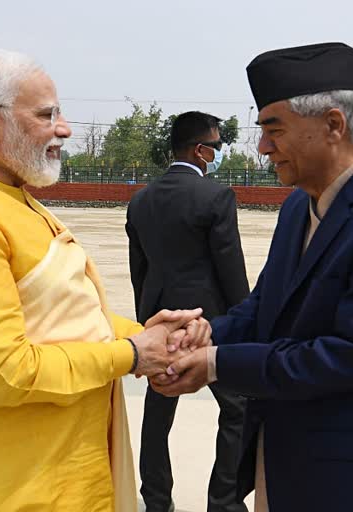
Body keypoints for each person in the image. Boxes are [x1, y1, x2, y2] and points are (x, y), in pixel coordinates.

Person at [0, 49, 209, 512]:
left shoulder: (10, 197)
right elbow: (4, 374)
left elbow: (65, 314)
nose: (64, 128)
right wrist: (134, 354)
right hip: (0, 483)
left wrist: (155, 337)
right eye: (46, 114)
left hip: (64, 470)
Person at [151, 42, 353, 511]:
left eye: (274, 130)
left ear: (333, 125)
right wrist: (203, 332)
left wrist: (215, 363)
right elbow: (266, 307)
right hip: (286, 461)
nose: (262, 147)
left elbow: (352, 356)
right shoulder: (299, 206)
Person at [126, 111, 249, 512]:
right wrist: (242, 320)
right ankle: (224, 501)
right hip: (206, 326)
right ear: (200, 150)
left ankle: (157, 502)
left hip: (160, 325)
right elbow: (229, 265)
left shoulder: (141, 200)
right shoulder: (215, 196)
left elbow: (138, 270)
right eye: (216, 146)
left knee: (158, 415)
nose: (216, 153)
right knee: (236, 409)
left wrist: (148, 326)